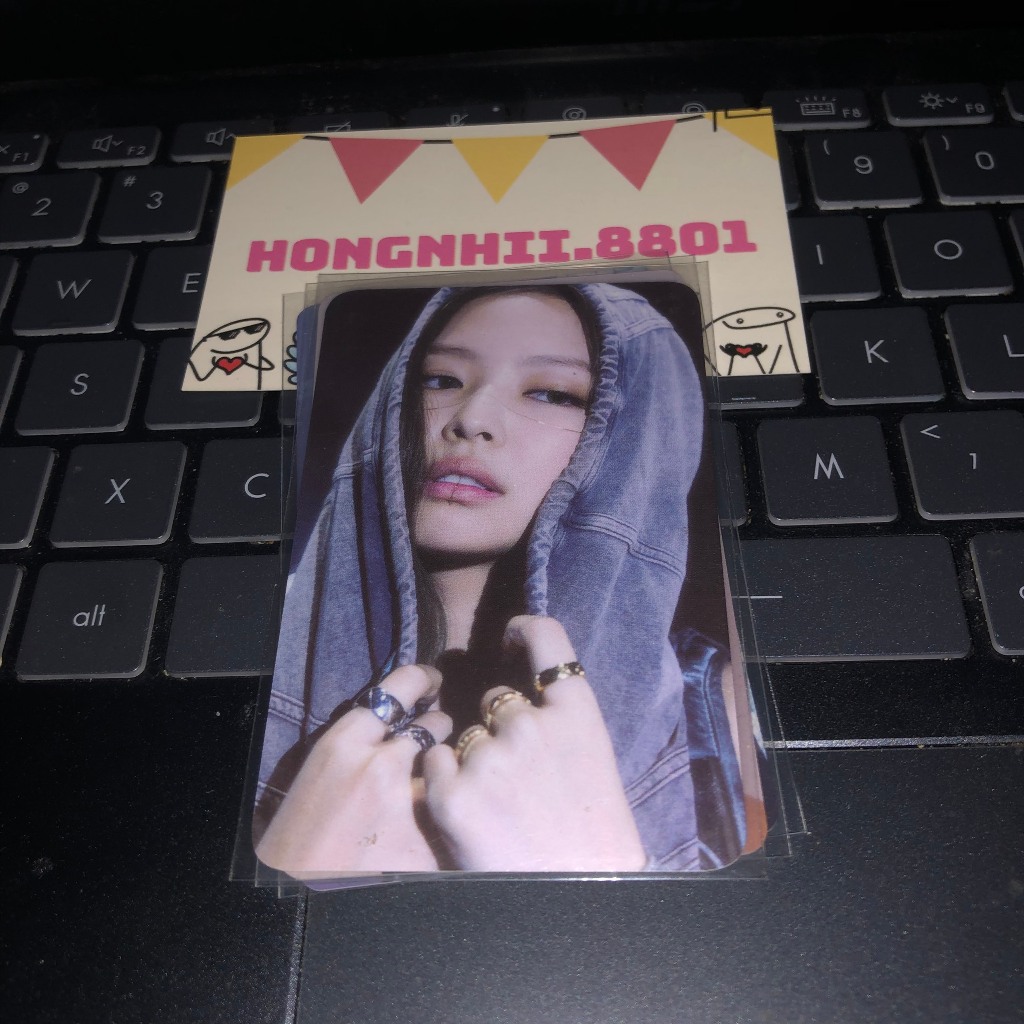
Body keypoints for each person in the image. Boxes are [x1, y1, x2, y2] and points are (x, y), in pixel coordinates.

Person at [254, 282, 751, 876]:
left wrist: (583, 865)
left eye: (551, 393)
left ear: (637, 441)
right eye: (439, 380)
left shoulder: (723, 713)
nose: (471, 420)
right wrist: (294, 867)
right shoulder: (253, 665)